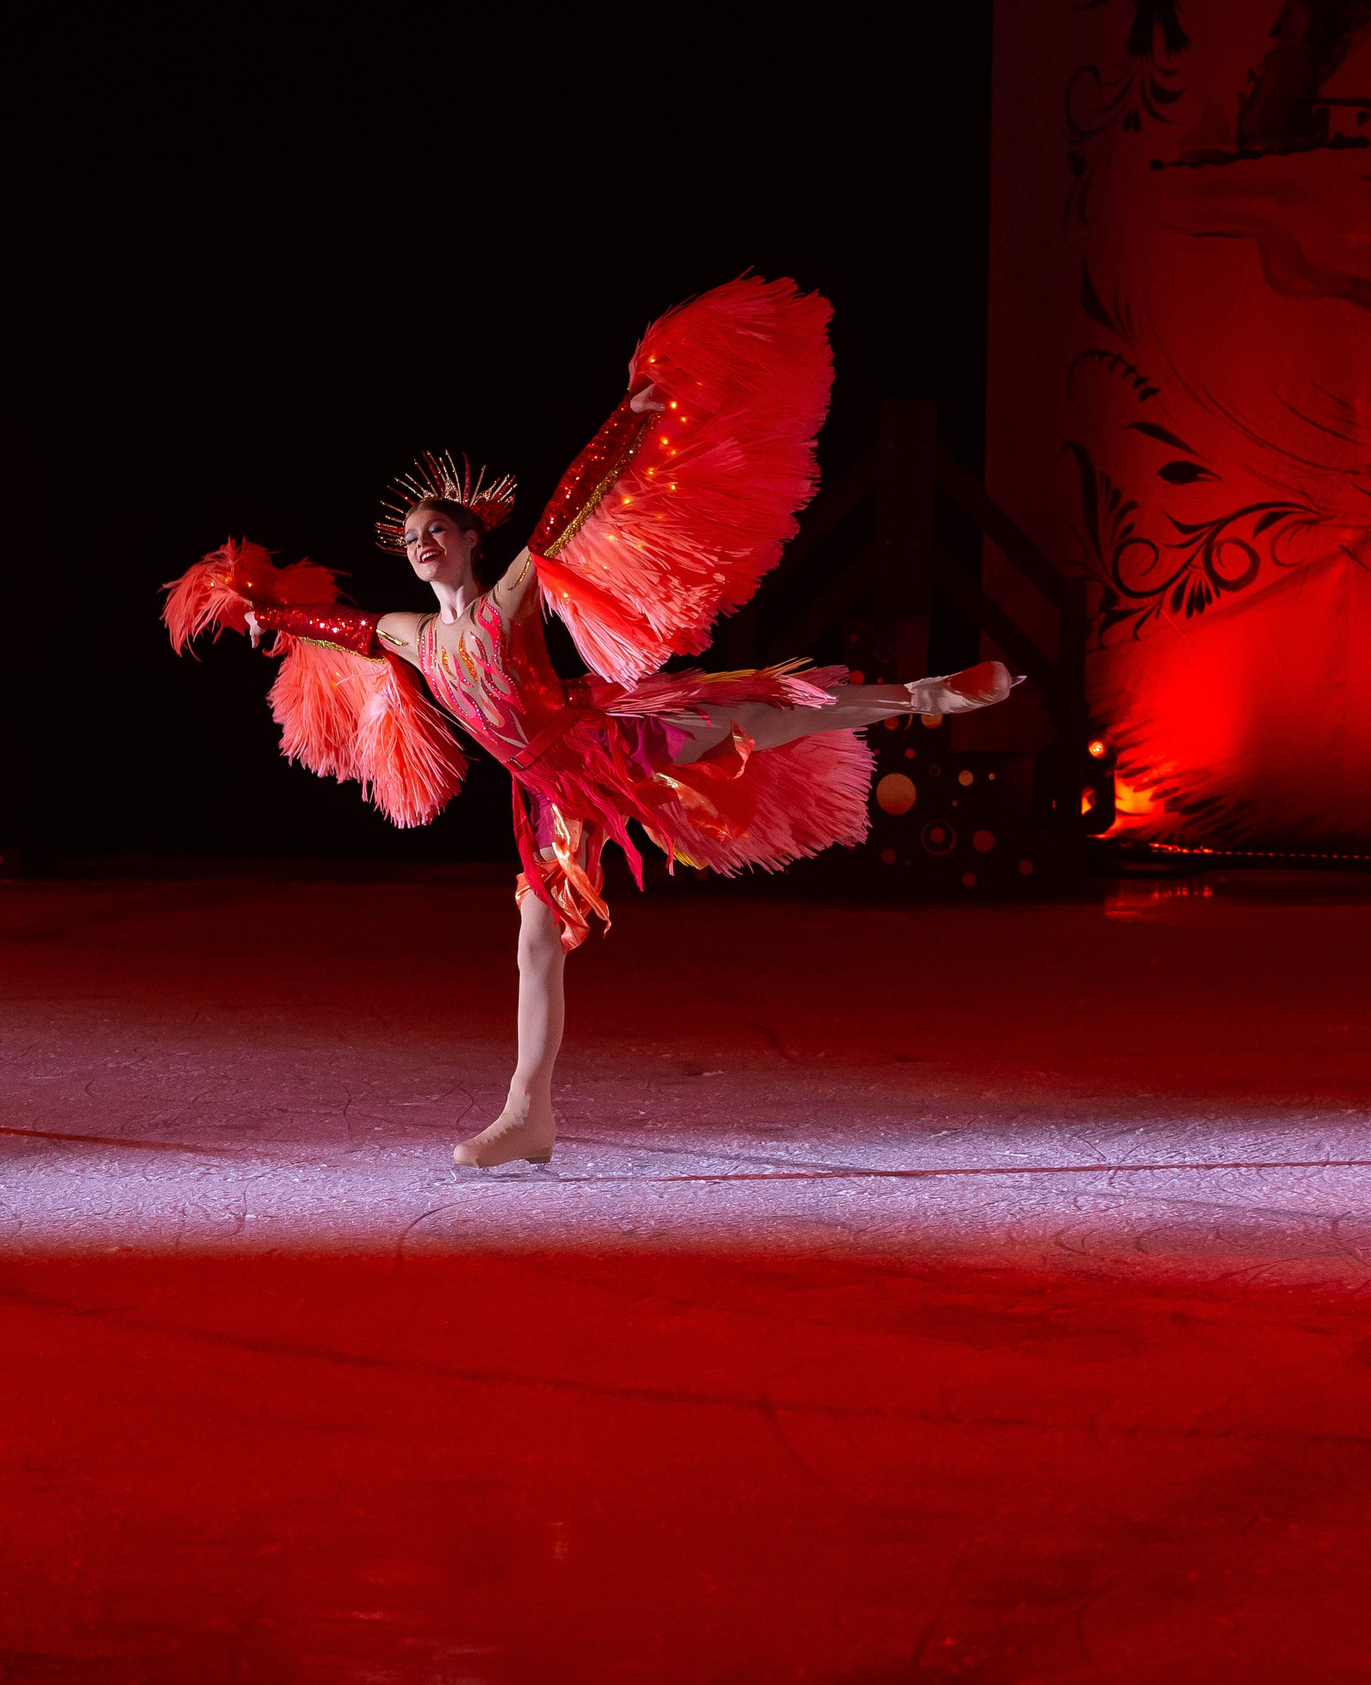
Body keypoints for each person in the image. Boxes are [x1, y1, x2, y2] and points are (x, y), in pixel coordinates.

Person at [164, 276, 1013, 1170]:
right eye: (411, 538)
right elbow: (339, 626)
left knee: (759, 713)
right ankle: (527, 1113)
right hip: (547, 795)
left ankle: (922, 696)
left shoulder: (506, 600)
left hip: (604, 740)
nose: (421, 543)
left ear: (470, 540)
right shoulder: (415, 635)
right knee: (536, 943)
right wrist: (268, 614)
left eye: (436, 530)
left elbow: (568, 509)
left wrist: (628, 420)